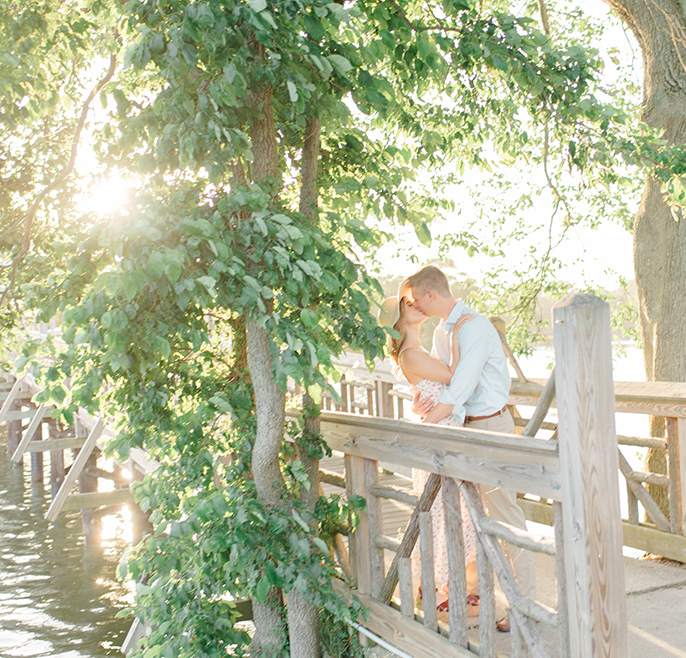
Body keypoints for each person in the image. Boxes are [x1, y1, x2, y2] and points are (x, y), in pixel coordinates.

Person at [401, 265, 536, 632]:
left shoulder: (473, 326)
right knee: (473, 521)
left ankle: (526, 610)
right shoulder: (445, 330)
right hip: (461, 428)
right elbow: (439, 374)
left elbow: (458, 389)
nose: (415, 307)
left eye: (416, 301)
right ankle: (487, 606)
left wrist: (426, 426)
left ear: (431, 294)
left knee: (506, 517)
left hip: (490, 426)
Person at [382, 293, 479, 618]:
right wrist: (455, 333)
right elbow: (454, 375)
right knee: (442, 516)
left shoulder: (416, 351)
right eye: (409, 304)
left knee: (454, 514)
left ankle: (450, 587)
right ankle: (432, 590)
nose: (418, 305)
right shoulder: (410, 354)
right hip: (441, 442)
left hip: (448, 437)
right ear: (398, 318)